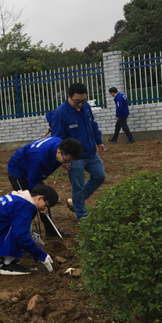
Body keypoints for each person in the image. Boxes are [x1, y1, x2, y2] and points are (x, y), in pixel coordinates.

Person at [0, 185, 58, 275]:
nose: (45, 208)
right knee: (22, 229)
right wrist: (41, 255)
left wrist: (37, 209)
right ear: (40, 198)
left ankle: (3, 258)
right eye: (46, 205)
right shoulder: (24, 206)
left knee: (22, 225)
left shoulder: (19, 198)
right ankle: (8, 265)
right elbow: (21, 237)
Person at [7, 137, 83, 239]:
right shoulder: (39, 158)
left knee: (45, 200)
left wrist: (64, 161)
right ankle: (17, 234)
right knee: (26, 203)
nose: (67, 162)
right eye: (66, 160)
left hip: (33, 169)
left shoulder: (59, 144)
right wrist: (39, 204)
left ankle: (50, 232)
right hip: (19, 171)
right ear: (59, 152)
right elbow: (33, 182)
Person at [51, 83, 106, 222]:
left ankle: (75, 201)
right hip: (74, 158)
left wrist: (99, 140)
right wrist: (63, 158)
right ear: (68, 97)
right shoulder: (60, 114)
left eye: (83, 100)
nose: (80, 104)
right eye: (77, 101)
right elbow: (57, 138)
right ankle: (82, 217)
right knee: (77, 187)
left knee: (100, 176)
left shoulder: (86, 107)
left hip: (91, 153)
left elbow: (93, 124)